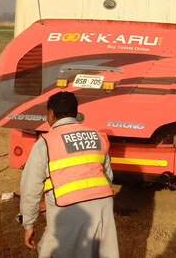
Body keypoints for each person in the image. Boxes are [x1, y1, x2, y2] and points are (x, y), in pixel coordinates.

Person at [20, 92, 119, 257]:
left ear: (51, 113)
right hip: (103, 207)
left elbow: (31, 187)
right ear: (76, 112)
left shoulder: (45, 142)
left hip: (68, 208)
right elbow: (107, 175)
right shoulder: (97, 137)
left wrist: (28, 224)